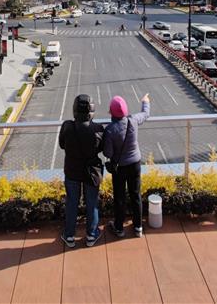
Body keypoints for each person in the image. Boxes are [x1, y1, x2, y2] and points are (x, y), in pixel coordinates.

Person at [58, 94, 104, 248]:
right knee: (92, 203)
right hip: (91, 172)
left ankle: (69, 235)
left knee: (72, 202)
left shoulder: (67, 126)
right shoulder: (97, 129)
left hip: (72, 170)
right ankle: (91, 234)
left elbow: (62, 144)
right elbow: (102, 148)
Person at [103, 94, 150, 238]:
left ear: (111, 112)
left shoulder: (110, 130)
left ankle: (119, 228)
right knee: (135, 194)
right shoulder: (133, 121)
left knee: (120, 197)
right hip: (135, 163)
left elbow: (108, 153)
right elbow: (145, 114)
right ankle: (138, 227)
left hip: (120, 168)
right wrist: (145, 102)